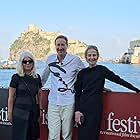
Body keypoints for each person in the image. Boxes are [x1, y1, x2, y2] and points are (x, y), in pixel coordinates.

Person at [74, 45, 140, 140]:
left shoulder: (102, 70)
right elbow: (77, 93)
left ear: (97, 56)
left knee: (93, 136)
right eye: (89, 55)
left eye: (94, 55)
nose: (92, 58)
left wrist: (136, 89)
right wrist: (77, 111)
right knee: (82, 136)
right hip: (83, 108)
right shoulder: (82, 73)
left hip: (96, 108)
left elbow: (118, 80)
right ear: (86, 57)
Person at [41, 35, 85, 140]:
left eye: (62, 45)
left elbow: (86, 75)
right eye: (58, 45)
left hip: (68, 103)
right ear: (55, 46)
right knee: (53, 136)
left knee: (67, 135)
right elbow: (44, 78)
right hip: (53, 102)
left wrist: (100, 86)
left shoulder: (75, 60)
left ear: (67, 46)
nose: (60, 47)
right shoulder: (50, 59)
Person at [7, 51, 42, 140]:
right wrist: (10, 113)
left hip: (33, 113)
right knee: (19, 136)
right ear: (21, 63)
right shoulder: (16, 77)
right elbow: (11, 97)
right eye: (24, 61)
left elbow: (39, 95)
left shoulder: (37, 77)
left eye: (30, 61)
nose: (27, 63)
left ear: (33, 63)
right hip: (19, 113)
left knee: (32, 136)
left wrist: (40, 110)